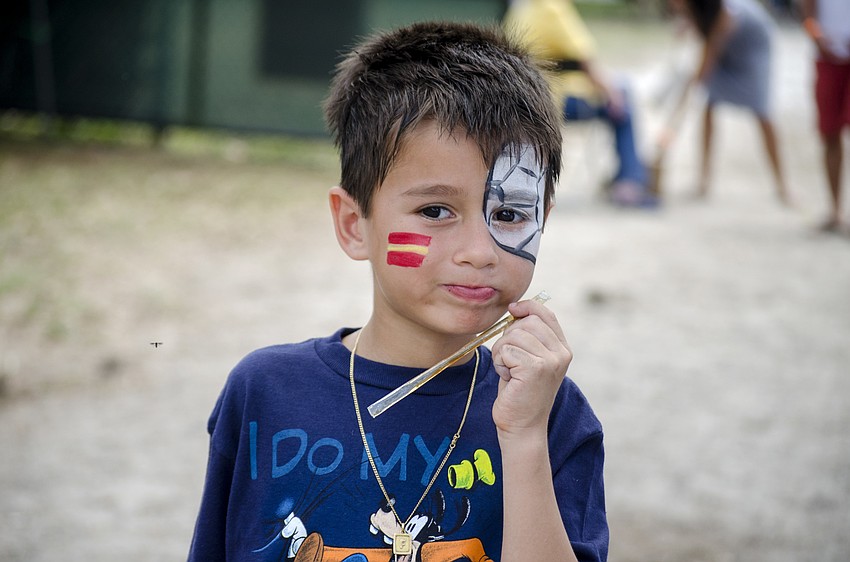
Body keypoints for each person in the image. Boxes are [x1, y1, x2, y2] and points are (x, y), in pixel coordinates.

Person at [186, 21, 608, 562]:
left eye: (508, 214)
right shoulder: (265, 393)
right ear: (354, 224)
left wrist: (524, 435)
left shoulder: (553, 414)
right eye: (435, 211)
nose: (479, 251)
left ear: (542, 220)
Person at [503, 0, 658, 208]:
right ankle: (629, 183)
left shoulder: (523, 9)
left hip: (527, 99)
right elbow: (586, 60)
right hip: (558, 100)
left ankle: (622, 178)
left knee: (620, 90)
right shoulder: (553, 8)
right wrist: (612, 94)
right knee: (623, 99)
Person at [660, 0, 792, 204]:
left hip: (753, 48)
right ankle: (703, 181)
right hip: (726, 47)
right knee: (709, 105)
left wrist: (684, 100)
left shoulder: (722, 10)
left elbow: (707, 59)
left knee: (762, 112)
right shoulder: (695, 9)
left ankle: (782, 186)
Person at [801, 0, 850, 232]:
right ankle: (835, 211)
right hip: (827, 58)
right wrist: (816, 37)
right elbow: (808, 15)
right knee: (829, 133)